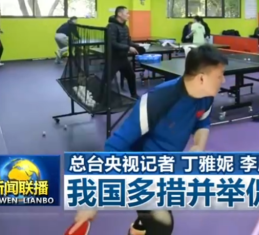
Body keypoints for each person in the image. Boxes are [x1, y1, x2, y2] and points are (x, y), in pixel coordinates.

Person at [70, 45, 229, 235]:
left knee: (151, 221)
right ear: (201, 78)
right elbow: (115, 146)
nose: (223, 80)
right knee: (162, 224)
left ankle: (137, 229)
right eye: (219, 76)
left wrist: (198, 145)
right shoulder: (158, 100)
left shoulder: (206, 97)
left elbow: (202, 121)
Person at [106, 6, 141, 99]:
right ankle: (100, 99)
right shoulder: (111, 26)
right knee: (107, 80)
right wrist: (128, 48)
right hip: (113, 58)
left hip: (123, 58)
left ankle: (134, 95)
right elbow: (112, 43)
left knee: (131, 76)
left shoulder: (125, 27)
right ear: (119, 14)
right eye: (127, 13)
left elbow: (128, 41)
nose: (129, 15)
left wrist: (138, 45)